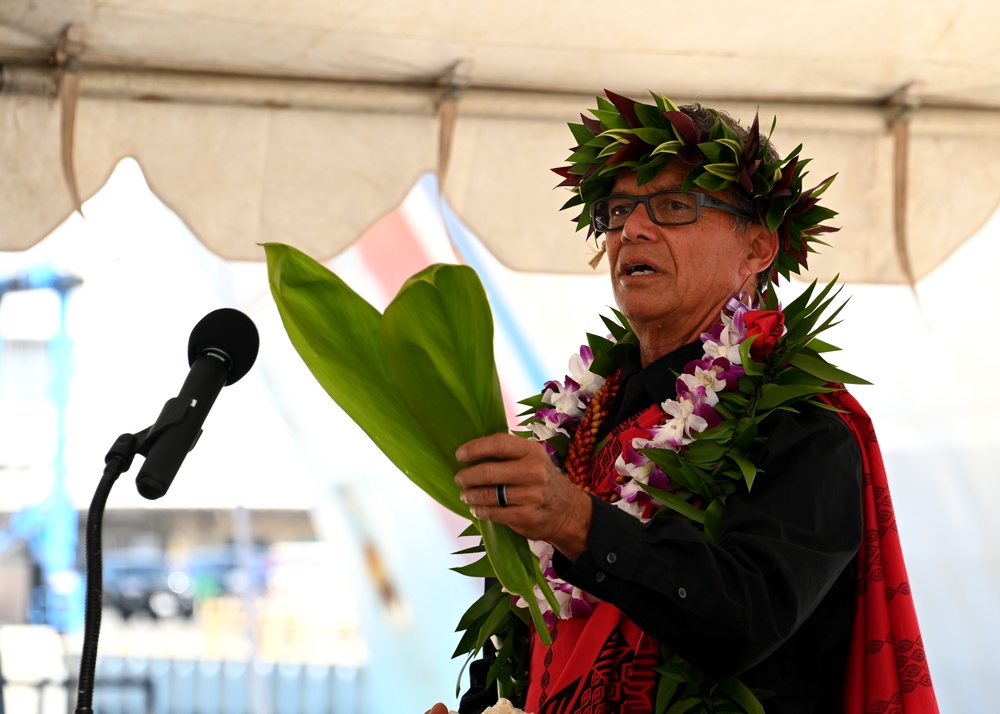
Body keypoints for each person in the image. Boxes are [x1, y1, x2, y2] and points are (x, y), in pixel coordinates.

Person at [427, 91, 938, 713]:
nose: (632, 230)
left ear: (758, 248)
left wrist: (576, 523)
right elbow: (527, 631)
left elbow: (748, 618)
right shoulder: (571, 428)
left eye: (673, 206)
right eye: (617, 212)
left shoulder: (804, 427)